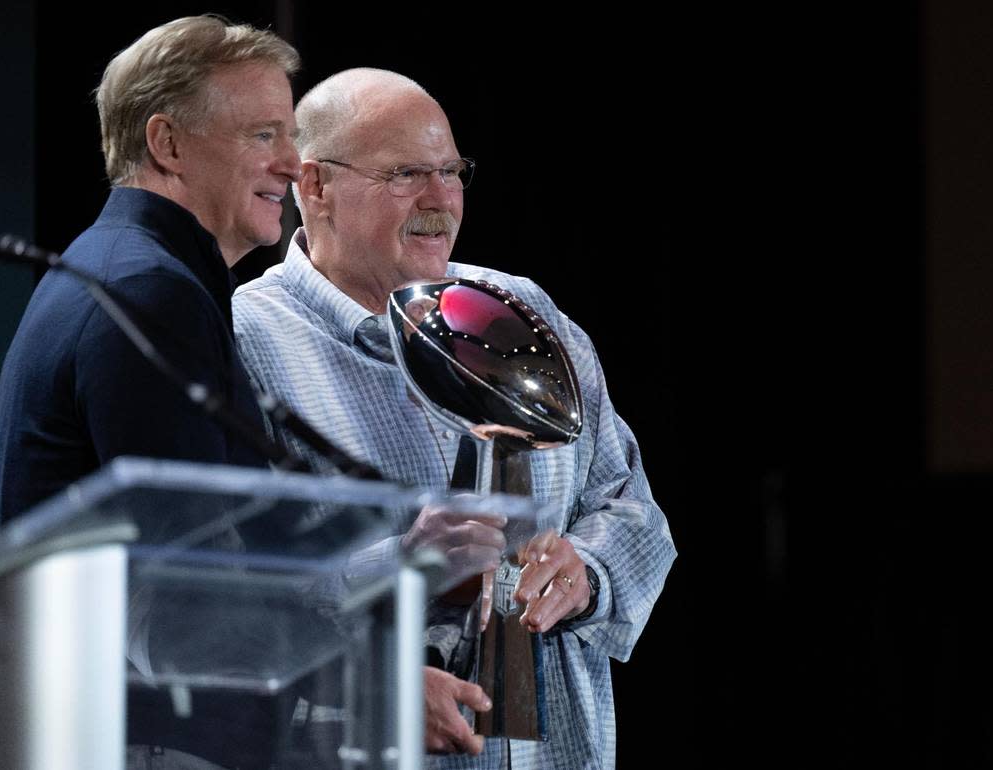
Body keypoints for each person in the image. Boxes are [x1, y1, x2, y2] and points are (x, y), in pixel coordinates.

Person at [233, 68, 676, 768]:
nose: (442, 201)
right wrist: (398, 566)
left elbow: (631, 506)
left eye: (452, 171)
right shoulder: (248, 339)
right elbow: (224, 594)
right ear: (315, 186)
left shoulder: (522, 313)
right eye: (408, 174)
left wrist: (586, 572)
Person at [0, 16, 301, 769]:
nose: (294, 163)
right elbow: (184, 589)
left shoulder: (124, 269)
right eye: (264, 135)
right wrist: (347, 676)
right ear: (167, 144)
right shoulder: (149, 292)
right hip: (156, 738)